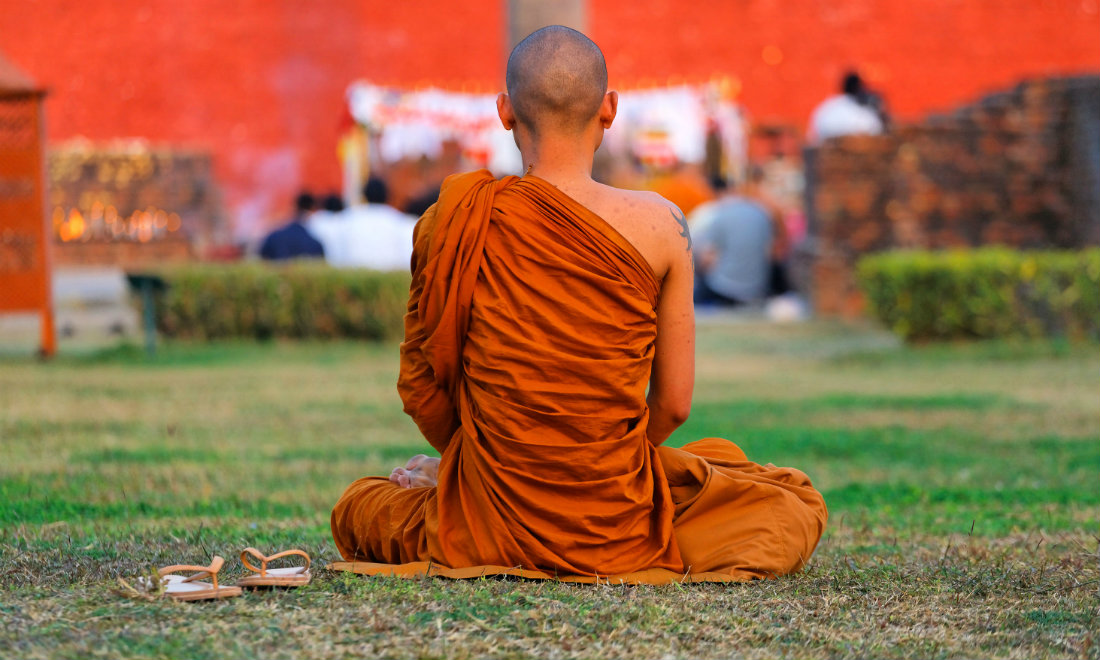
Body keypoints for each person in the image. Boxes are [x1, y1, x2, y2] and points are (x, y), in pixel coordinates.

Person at [330, 26, 827, 583]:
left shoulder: (456, 221)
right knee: (776, 500)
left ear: (503, 111)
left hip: (483, 517)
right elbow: (673, 407)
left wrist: (468, 471)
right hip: (613, 522)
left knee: (359, 507)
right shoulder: (663, 224)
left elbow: (425, 391)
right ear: (610, 109)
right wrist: (590, 472)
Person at [692, 170, 790, 306]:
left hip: (722, 287)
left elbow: (707, 258)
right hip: (757, 287)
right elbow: (772, 253)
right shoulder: (763, 213)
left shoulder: (719, 214)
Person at [341, 177, 417, 270]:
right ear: (387, 195)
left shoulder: (348, 219)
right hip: (391, 280)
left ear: (364, 195)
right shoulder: (400, 221)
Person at [807, 71, 884, 145]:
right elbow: (875, 130)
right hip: (854, 152)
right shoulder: (862, 111)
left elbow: (813, 134)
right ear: (858, 88)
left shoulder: (827, 107)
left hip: (825, 151)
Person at [258, 192, 325, 261]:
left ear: (295, 207)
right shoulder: (314, 243)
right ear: (312, 210)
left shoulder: (274, 236)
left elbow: (262, 258)